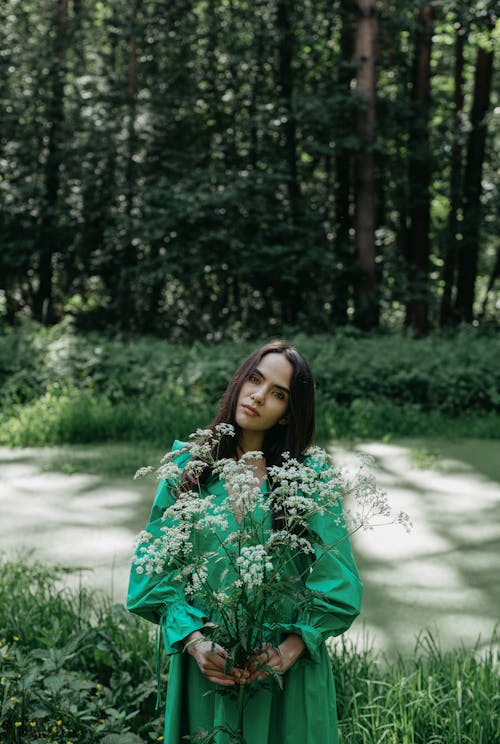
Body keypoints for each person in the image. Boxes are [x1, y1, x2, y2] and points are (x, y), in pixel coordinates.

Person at [127, 341, 363, 743]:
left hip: (285, 674)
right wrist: (196, 643)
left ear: (288, 412)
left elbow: (338, 586)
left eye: (278, 393)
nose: (258, 396)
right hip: (207, 668)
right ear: (240, 381)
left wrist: (288, 650)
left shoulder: (306, 478)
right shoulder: (187, 469)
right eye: (255, 380)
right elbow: (153, 575)